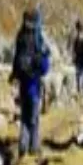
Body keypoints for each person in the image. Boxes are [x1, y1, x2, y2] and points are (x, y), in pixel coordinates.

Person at [11, 8, 50, 156]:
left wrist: (14, 76)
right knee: (34, 119)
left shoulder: (20, 37)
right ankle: (34, 147)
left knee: (24, 117)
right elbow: (44, 66)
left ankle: (22, 145)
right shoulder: (37, 39)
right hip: (34, 84)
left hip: (23, 84)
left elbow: (16, 60)